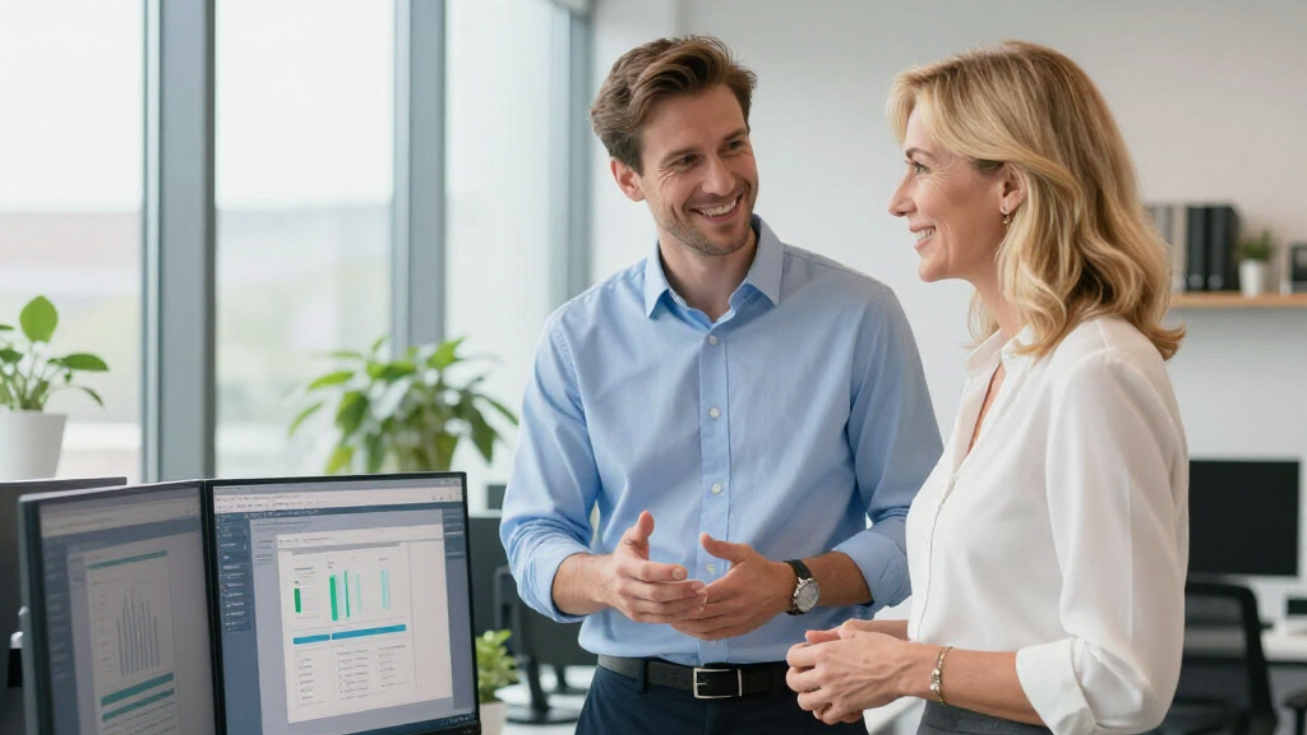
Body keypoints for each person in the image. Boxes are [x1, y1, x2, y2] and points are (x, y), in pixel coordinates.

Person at [499, 35, 942, 735]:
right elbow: (533, 533)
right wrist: (605, 579)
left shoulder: (859, 316)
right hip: (629, 710)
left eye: (733, 145)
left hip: (806, 704)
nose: (720, 180)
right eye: (684, 160)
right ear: (627, 178)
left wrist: (794, 583)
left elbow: (917, 524)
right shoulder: (575, 338)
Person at [785, 40, 1188, 735]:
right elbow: (1010, 609)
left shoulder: (1095, 373)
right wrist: (890, 642)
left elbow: (1124, 678)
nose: (896, 200)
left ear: (1009, 184)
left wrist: (908, 668)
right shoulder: (1006, 366)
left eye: (918, 167)